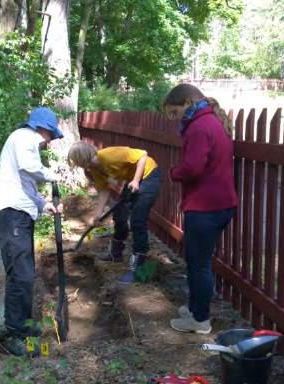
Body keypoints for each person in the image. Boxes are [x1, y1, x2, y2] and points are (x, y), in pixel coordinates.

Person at [163, 83, 238, 334]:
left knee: (199, 263)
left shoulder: (199, 127)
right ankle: (195, 307)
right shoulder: (211, 122)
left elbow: (193, 167)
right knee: (198, 260)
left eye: (175, 113)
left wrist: (175, 172)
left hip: (206, 207)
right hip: (220, 204)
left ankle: (200, 319)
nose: (175, 120)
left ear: (187, 103)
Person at [0, 107, 63, 356]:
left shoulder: (25, 143)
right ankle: (14, 335)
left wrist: (44, 204)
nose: (49, 143)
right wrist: (53, 176)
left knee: (26, 274)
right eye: (51, 137)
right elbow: (30, 167)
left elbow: (27, 185)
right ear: (44, 129)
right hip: (10, 215)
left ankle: (24, 328)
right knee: (20, 275)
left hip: (18, 215)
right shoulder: (24, 137)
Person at [67, 142, 161, 284]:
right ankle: (115, 253)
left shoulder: (109, 156)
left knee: (137, 221)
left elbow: (142, 155)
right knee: (119, 215)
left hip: (149, 175)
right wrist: (97, 215)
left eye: (76, 161)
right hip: (133, 180)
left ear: (81, 158)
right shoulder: (94, 169)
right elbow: (104, 191)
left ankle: (137, 268)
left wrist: (135, 181)